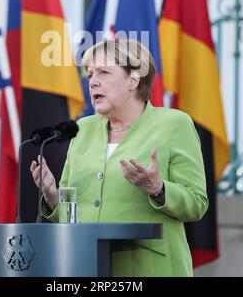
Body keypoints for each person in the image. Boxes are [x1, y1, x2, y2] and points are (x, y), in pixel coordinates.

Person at [30, 38, 208, 277]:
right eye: (90, 74)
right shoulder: (82, 129)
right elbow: (71, 217)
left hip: (149, 269)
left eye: (104, 72)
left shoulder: (173, 124)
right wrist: (52, 196)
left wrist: (158, 189)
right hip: (87, 267)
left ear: (133, 80)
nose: (93, 82)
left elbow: (197, 204)